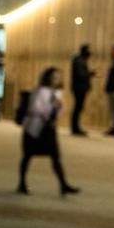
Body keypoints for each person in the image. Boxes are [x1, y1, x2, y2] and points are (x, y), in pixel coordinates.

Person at [19, 67, 80, 196]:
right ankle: (22, 183)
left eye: (58, 77)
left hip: (49, 129)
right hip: (35, 128)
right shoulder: (40, 91)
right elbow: (34, 108)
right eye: (53, 77)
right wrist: (50, 110)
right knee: (28, 156)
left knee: (55, 157)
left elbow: (59, 110)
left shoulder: (57, 92)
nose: (56, 80)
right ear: (47, 78)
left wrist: (58, 108)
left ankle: (63, 184)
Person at [70, 45, 96, 136]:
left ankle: (76, 128)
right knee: (78, 107)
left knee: (78, 107)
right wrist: (91, 73)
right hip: (79, 87)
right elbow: (80, 74)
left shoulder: (79, 60)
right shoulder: (80, 60)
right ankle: (75, 128)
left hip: (79, 87)